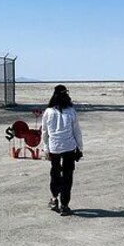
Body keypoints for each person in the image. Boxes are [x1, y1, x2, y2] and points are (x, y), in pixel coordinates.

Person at [41, 84, 84, 216]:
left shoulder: (48, 112)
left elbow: (44, 132)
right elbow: (77, 131)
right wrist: (80, 148)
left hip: (54, 147)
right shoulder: (71, 111)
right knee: (67, 175)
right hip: (69, 147)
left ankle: (54, 199)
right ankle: (65, 204)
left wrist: (46, 148)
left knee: (55, 173)